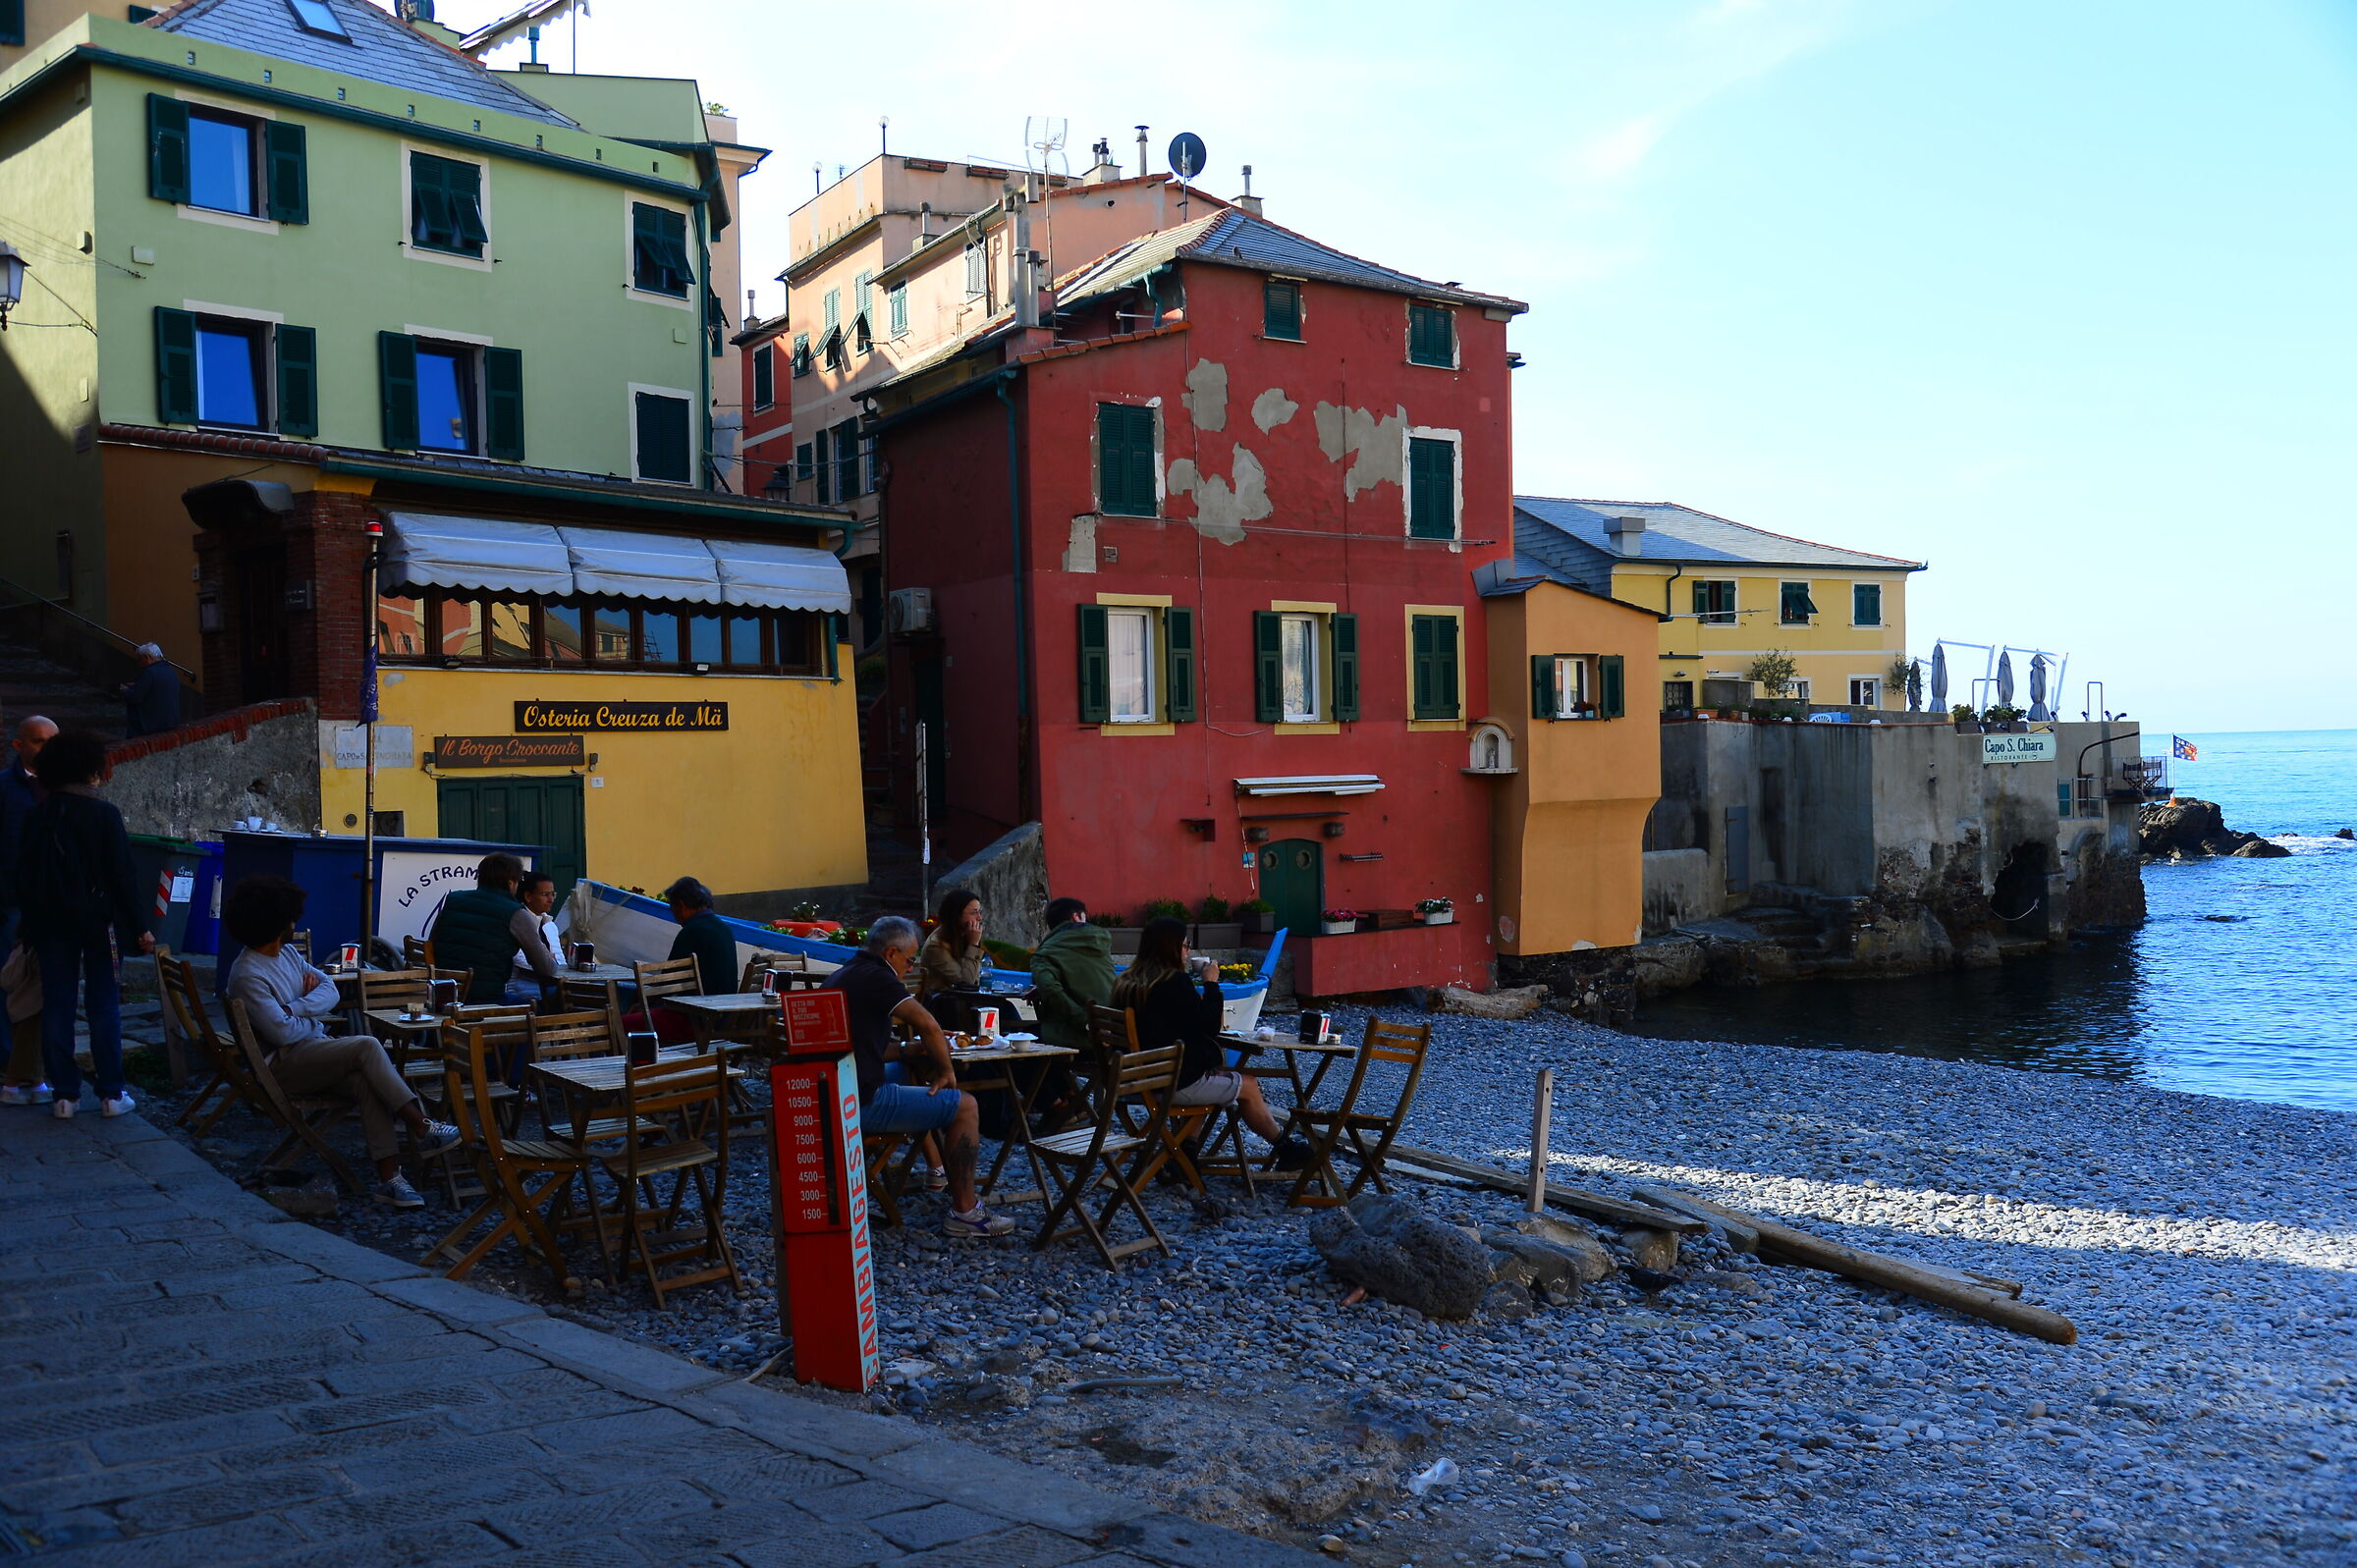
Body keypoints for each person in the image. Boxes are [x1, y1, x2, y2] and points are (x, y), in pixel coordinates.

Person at [224, 876, 459, 1208]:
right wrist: (306, 1016)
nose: (295, 922)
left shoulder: (288, 954)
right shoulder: (249, 974)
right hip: (283, 1066)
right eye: (291, 917)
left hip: (310, 1052)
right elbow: (280, 1033)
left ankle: (389, 1181)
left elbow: (330, 989)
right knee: (366, 1046)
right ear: (276, 922)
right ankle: (422, 1125)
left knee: (366, 1081)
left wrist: (296, 1009)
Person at [823, 916, 1015, 1238]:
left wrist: (908, 1050)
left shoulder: (845, 973)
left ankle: (936, 1168)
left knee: (907, 1069)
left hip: (834, 1090)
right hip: (859, 1101)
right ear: (891, 953)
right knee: (965, 1105)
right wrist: (946, 1070)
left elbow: (866, 1046)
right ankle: (965, 1212)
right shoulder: (879, 977)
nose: (911, 967)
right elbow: (928, 1024)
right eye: (910, 959)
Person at [13, 730, 151, 1119]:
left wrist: (28, 925)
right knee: (104, 1006)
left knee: (57, 1005)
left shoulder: (39, 816)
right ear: (89, 769)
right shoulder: (103, 814)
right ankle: (110, 1092)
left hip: (49, 925)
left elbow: (22, 875)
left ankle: (64, 1095)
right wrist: (140, 925)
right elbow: (123, 875)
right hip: (98, 924)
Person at [1111, 917, 1308, 1167]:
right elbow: (1209, 1025)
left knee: (1209, 1074)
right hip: (1165, 1083)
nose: (1188, 950)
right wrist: (1211, 984)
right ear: (1170, 948)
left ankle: (1186, 1154)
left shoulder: (1126, 983)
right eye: (1185, 944)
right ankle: (1286, 1148)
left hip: (1132, 1079)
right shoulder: (1172, 982)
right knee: (1247, 1086)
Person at [0, 716, 55, 1107]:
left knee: (43, 988)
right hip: (10, 903)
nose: (46, 748)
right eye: (38, 741)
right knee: (9, 981)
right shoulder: (5, 788)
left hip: (51, 904)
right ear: (20, 745)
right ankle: (8, 1065)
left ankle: (32, 1069)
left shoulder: (62, 789)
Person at [426, 853, 529, 1003]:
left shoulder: (453, 899)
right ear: (511, 883)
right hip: (485, 999)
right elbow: (545, 968)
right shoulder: (515, 912)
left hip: (444, 995)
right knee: (541, 1010)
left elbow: (432, 941)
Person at [1027, 896, 1114, 1054]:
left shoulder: (1043, 955)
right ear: (1076, 917)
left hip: (1077, 1037)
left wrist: (1088, 1023)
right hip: (1114, 1036)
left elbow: (1051, 991)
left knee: (1016, 1042)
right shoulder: (1101, 945)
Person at [504, 870, 565, 1006]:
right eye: (545, 895)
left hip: (553, 985)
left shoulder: (550, 925)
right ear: (528, 896)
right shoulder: (518, 921)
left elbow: (560, 961)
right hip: (525, 989)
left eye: (552, 894)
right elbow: (523, 961)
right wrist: (548, 959)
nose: (551, 900)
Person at [917, 889, 987, 1000]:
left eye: (980, 912)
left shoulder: (962, 937)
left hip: (962, 1000)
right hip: (942, 1004)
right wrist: (973, 945)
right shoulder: (936, 945)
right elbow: (966, 981)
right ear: (957, 915)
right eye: (974, 913)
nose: (979, 918)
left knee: (1007, 1008)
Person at [119, 644, 180, 739]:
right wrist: (138, 685)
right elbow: (158, 688)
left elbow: (136, 697)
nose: (139, 663)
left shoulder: (149, 672)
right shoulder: (171, 672)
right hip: (169, 722)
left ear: (147, 657)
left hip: (149, 726)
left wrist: (125, 690)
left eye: (139, 659)